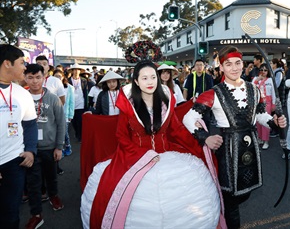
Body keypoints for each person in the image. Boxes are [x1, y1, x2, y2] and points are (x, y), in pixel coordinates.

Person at [81, 60, 223, 228]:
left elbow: (177, 129)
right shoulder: (128, 103)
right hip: (134, 155)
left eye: (153, 77)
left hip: (168, 154)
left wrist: (202, 139)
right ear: (136, 81)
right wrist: (141, 154)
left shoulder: (166, 98)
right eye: (144, 78)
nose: (150, 82)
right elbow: (121, 135)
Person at [183, 45, 287, 229]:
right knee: (230, 198)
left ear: (242, 64)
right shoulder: (213, 93)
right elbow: (189, 118)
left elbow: (260, 115)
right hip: (228, 151)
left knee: (245, 192)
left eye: (238, 63)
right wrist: (205, 137)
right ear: (221, 67)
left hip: (250, 148)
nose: (234, 67)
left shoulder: (254, 89)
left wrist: (274, 123)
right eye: (228, 64)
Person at [0, 44, 38, 229]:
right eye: (21, 62)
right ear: (7, 63)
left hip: (15, 161)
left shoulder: (23, 94)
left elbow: (30, 124)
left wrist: (30, 150)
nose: (25, 67)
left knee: (11, 213)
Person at [24, 64, 66, 228]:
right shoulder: (22, 98)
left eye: (38, 77)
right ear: (25, 78)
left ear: (44, 78)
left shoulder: (53, 98)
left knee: (51, 176)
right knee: (33, 183)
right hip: (29, 149)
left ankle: (53, 196)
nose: (34, 81)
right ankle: (36, 214)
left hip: (49, 147)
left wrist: (59, 146)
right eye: (30, 77)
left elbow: (61, 123)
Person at [252, 63, 276, 149]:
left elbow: (273, 93)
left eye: (265, 70)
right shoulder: (255, 79)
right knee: (258, 122)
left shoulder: (270, 80)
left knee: (266, 121)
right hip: (257, 103)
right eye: (261, 70)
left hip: (267, 103)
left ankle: (266, 141)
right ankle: (260, 138)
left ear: (268, 71)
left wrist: (274, 104)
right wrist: (257, 80)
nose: (263, 72)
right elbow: (251, 88)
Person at [53, 69, 75, 156]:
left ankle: (68, 146)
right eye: (56, 76)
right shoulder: (51, 87)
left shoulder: (69, 87)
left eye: (59, 76)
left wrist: (71, 114)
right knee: (57, 132)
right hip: (54, 113)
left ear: (63, 77)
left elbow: (71, 102)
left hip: (65, 114)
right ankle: (60, 149)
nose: (58, 78)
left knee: (64, 132)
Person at [68, 63, 89, 142]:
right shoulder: (68, 80)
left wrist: (86, 104)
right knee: (73, 121)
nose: (76, 71)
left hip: (81, 103)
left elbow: (86, 93)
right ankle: (77, 133)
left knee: (80, 121)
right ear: (72, 71)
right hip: (71, 104)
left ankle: (80, 136)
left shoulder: (83, 80)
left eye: (78, 70)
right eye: (75, 70)